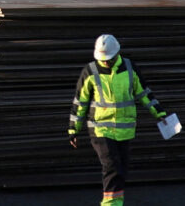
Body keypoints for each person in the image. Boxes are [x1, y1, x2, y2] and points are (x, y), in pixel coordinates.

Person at [69, 34, 168, 206]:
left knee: (120, 169)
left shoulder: (129, 68)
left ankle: (117, 202)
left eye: (109, 59)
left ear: (117, 54)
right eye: (103, 59)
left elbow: (144, 93)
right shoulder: (90, 71)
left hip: (125, 129)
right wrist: (73, 130)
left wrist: (159, 113)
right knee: (112, 167)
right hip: (100, 129)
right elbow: (80, 102)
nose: (106, 62)